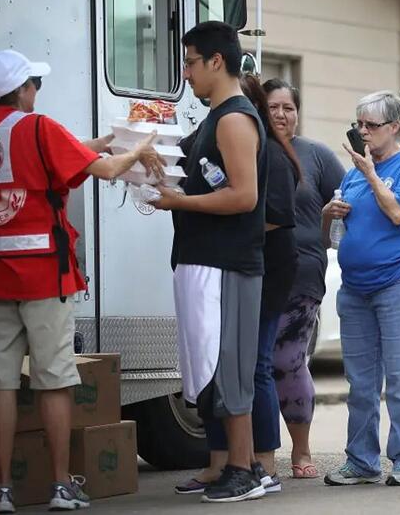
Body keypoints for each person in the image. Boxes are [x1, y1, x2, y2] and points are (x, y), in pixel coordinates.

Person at [0, 49, 161, 512]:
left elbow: (61, 152)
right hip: (41, 274)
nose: (37, 91)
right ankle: (59, 485)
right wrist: (139, 147)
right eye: (34, 83)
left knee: (1, 381)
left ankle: (2, 489)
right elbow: (105, 170)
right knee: (53, 379)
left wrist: (108, 139)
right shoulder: (38, 127)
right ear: (22, 89)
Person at [150, 21, 270, 503]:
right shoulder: (213, 118)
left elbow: (244, 196)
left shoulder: (234, 119)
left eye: (190, 62)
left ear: (216, 61)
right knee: (210, 367)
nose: (186, 73)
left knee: (230, 366)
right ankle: (233, 465)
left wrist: (179, 202)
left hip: (228, 263)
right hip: (203, 259)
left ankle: (244, 469)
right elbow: (185, 171)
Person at [173, 73, 300, 496]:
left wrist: (210, 214)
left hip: (257, 267)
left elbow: (268, 214)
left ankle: (260, 462)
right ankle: (220, 462)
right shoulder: (205, 137)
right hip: (216, 263)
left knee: (251, 366)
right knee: (213, 365)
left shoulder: (267, 151)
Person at [322, 91, 400, 487]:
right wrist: (328, 214)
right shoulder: (352, 173)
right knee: (360, 383)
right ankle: (361, 460)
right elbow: (336, 235)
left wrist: (371, 174)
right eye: (359, 125)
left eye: (371, 125)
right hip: (356, 288)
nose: (363, 132)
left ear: (395, 126)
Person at [262, 78, 345, 479]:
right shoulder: (249, 149)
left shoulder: (316, 155)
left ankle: (301, 449)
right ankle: (259, 451)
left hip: (302, 273)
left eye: (289, 107)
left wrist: (330, 219)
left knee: (288, 360)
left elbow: (350, 198)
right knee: (256, 364)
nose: (281, 114)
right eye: (273, 107)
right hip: (253, 271)